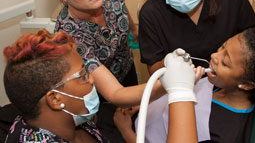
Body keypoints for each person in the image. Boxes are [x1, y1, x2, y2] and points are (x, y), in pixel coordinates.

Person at [3, 29, 199, 143]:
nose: (92, 80)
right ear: (55, 99)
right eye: (82, 76)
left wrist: (166, 84)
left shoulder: (75, 119)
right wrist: (181, 92)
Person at [114, 27, 255, 143]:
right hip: (141, 115)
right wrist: (142, 103)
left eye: (225, 62)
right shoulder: (218, 81)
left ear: (246, 84)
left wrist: (126, 132)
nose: (215, 56)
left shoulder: (225, 135)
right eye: (223, 47)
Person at [42, 0, 140, 141]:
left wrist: (134, 30)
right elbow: (114, 93)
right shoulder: (69, 37)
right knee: (111, 130)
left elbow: (121, 4)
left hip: (125, 66)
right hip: (99, 93)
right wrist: (168, 85)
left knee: (135, 118)